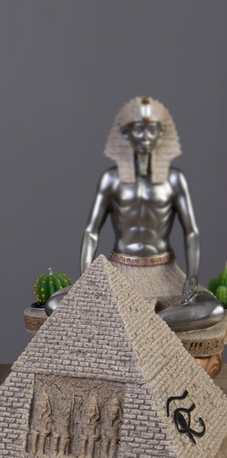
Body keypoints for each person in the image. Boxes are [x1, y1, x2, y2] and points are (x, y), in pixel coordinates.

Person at [48, 97, 224, 332]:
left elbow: (191, 231)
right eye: (138, 130)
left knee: (213, 309)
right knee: (56, 304)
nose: (145, 137)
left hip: (165, 271)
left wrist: (192, 275)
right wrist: (87, 276)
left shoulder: (174, 179)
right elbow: (91, 231)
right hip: (119, 269)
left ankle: (133, 324)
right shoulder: (111, 179)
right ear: (126, 134)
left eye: (152, 130)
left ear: (161, 134)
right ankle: (145, 324)